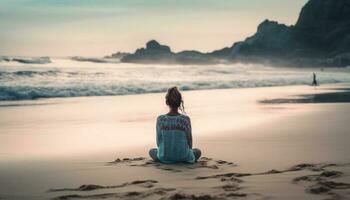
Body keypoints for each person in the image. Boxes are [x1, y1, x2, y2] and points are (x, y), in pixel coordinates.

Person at [149, 87, 201, 163]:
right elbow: (189, 142)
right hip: (183, 156)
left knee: (151, 151)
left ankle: (166, 158)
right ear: (180, 102)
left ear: (167, 102)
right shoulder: (185, 119)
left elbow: (158, 142)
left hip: (165, 157)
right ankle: (182, 158)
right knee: (198, 151)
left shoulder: (160, 119)